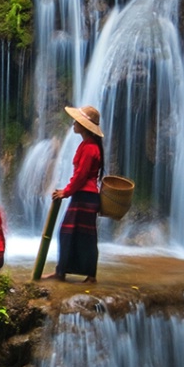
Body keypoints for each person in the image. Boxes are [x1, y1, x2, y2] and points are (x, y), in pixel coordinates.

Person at [48, 105, 104, 284]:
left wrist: (66, 191)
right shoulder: (88, 145)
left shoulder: (89, 148)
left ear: (85, 125)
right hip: (85, 196)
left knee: (79, 235)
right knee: (76, 234)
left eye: (77, 121)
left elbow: (81, 175)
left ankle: (83, 274)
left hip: (85, 197)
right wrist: (69, 190)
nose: (73, 123)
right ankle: (64, 271)